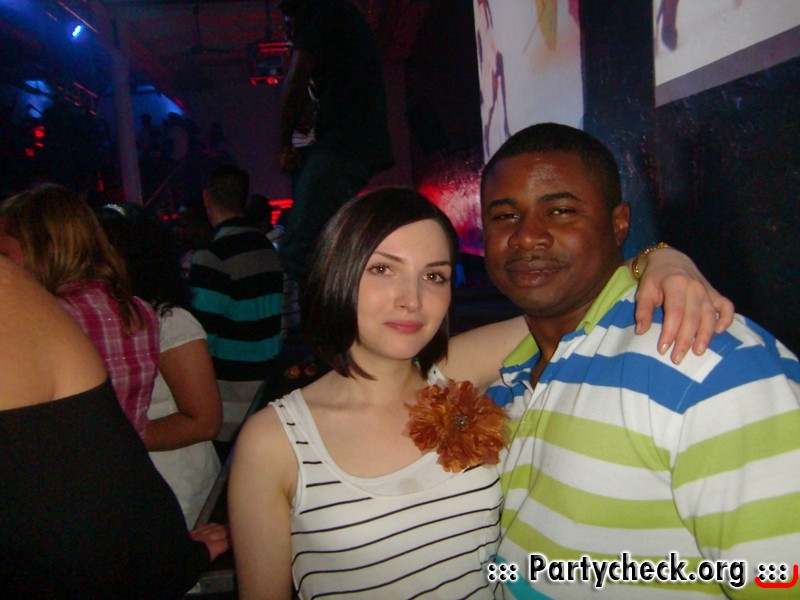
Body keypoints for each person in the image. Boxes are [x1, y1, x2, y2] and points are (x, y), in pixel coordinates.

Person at [228, 187, 733, 599]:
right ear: (336, 270)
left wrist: (663, 259)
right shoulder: (275, 440)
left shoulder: (452, 374)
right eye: (382, 269)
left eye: (434, 276)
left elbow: (582, 302)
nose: (412, 299)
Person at [479, 123, 800, 598]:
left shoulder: (702, 360)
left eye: (561, 211)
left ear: (619, 223)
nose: (527, 237)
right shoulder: (504, 382)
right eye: (505, 216)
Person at [0, 255, 228, 597]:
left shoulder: (162, 318)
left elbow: (204, 421)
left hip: (168, 484)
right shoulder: (57, 314)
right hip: (126, 505)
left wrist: (117, 436)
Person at [97, 202, 222, 527]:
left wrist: (111, 436)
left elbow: (205, 421)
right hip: (132, 484)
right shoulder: (96, 321)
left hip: (177, 489)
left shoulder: (168, 321)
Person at [0, 184, 159, 440]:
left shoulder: (43, 318)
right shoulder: (138, 310)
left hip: (60, 463)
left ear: (40, 247)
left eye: (4, 254)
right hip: (127, 460)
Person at [276, 0, 394, 283]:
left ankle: (331, 308)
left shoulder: (319, 10)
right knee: (322, 244)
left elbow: (296, 79)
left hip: (345, 144)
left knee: (299, 249)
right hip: (353, 143)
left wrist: (284, 143)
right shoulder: (337, 16)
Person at [188, 165, 284, 444]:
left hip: (230, 402)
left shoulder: (212, 255)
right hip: (269, 391)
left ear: (207, 199)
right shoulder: (267, 248)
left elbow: (202, 338)